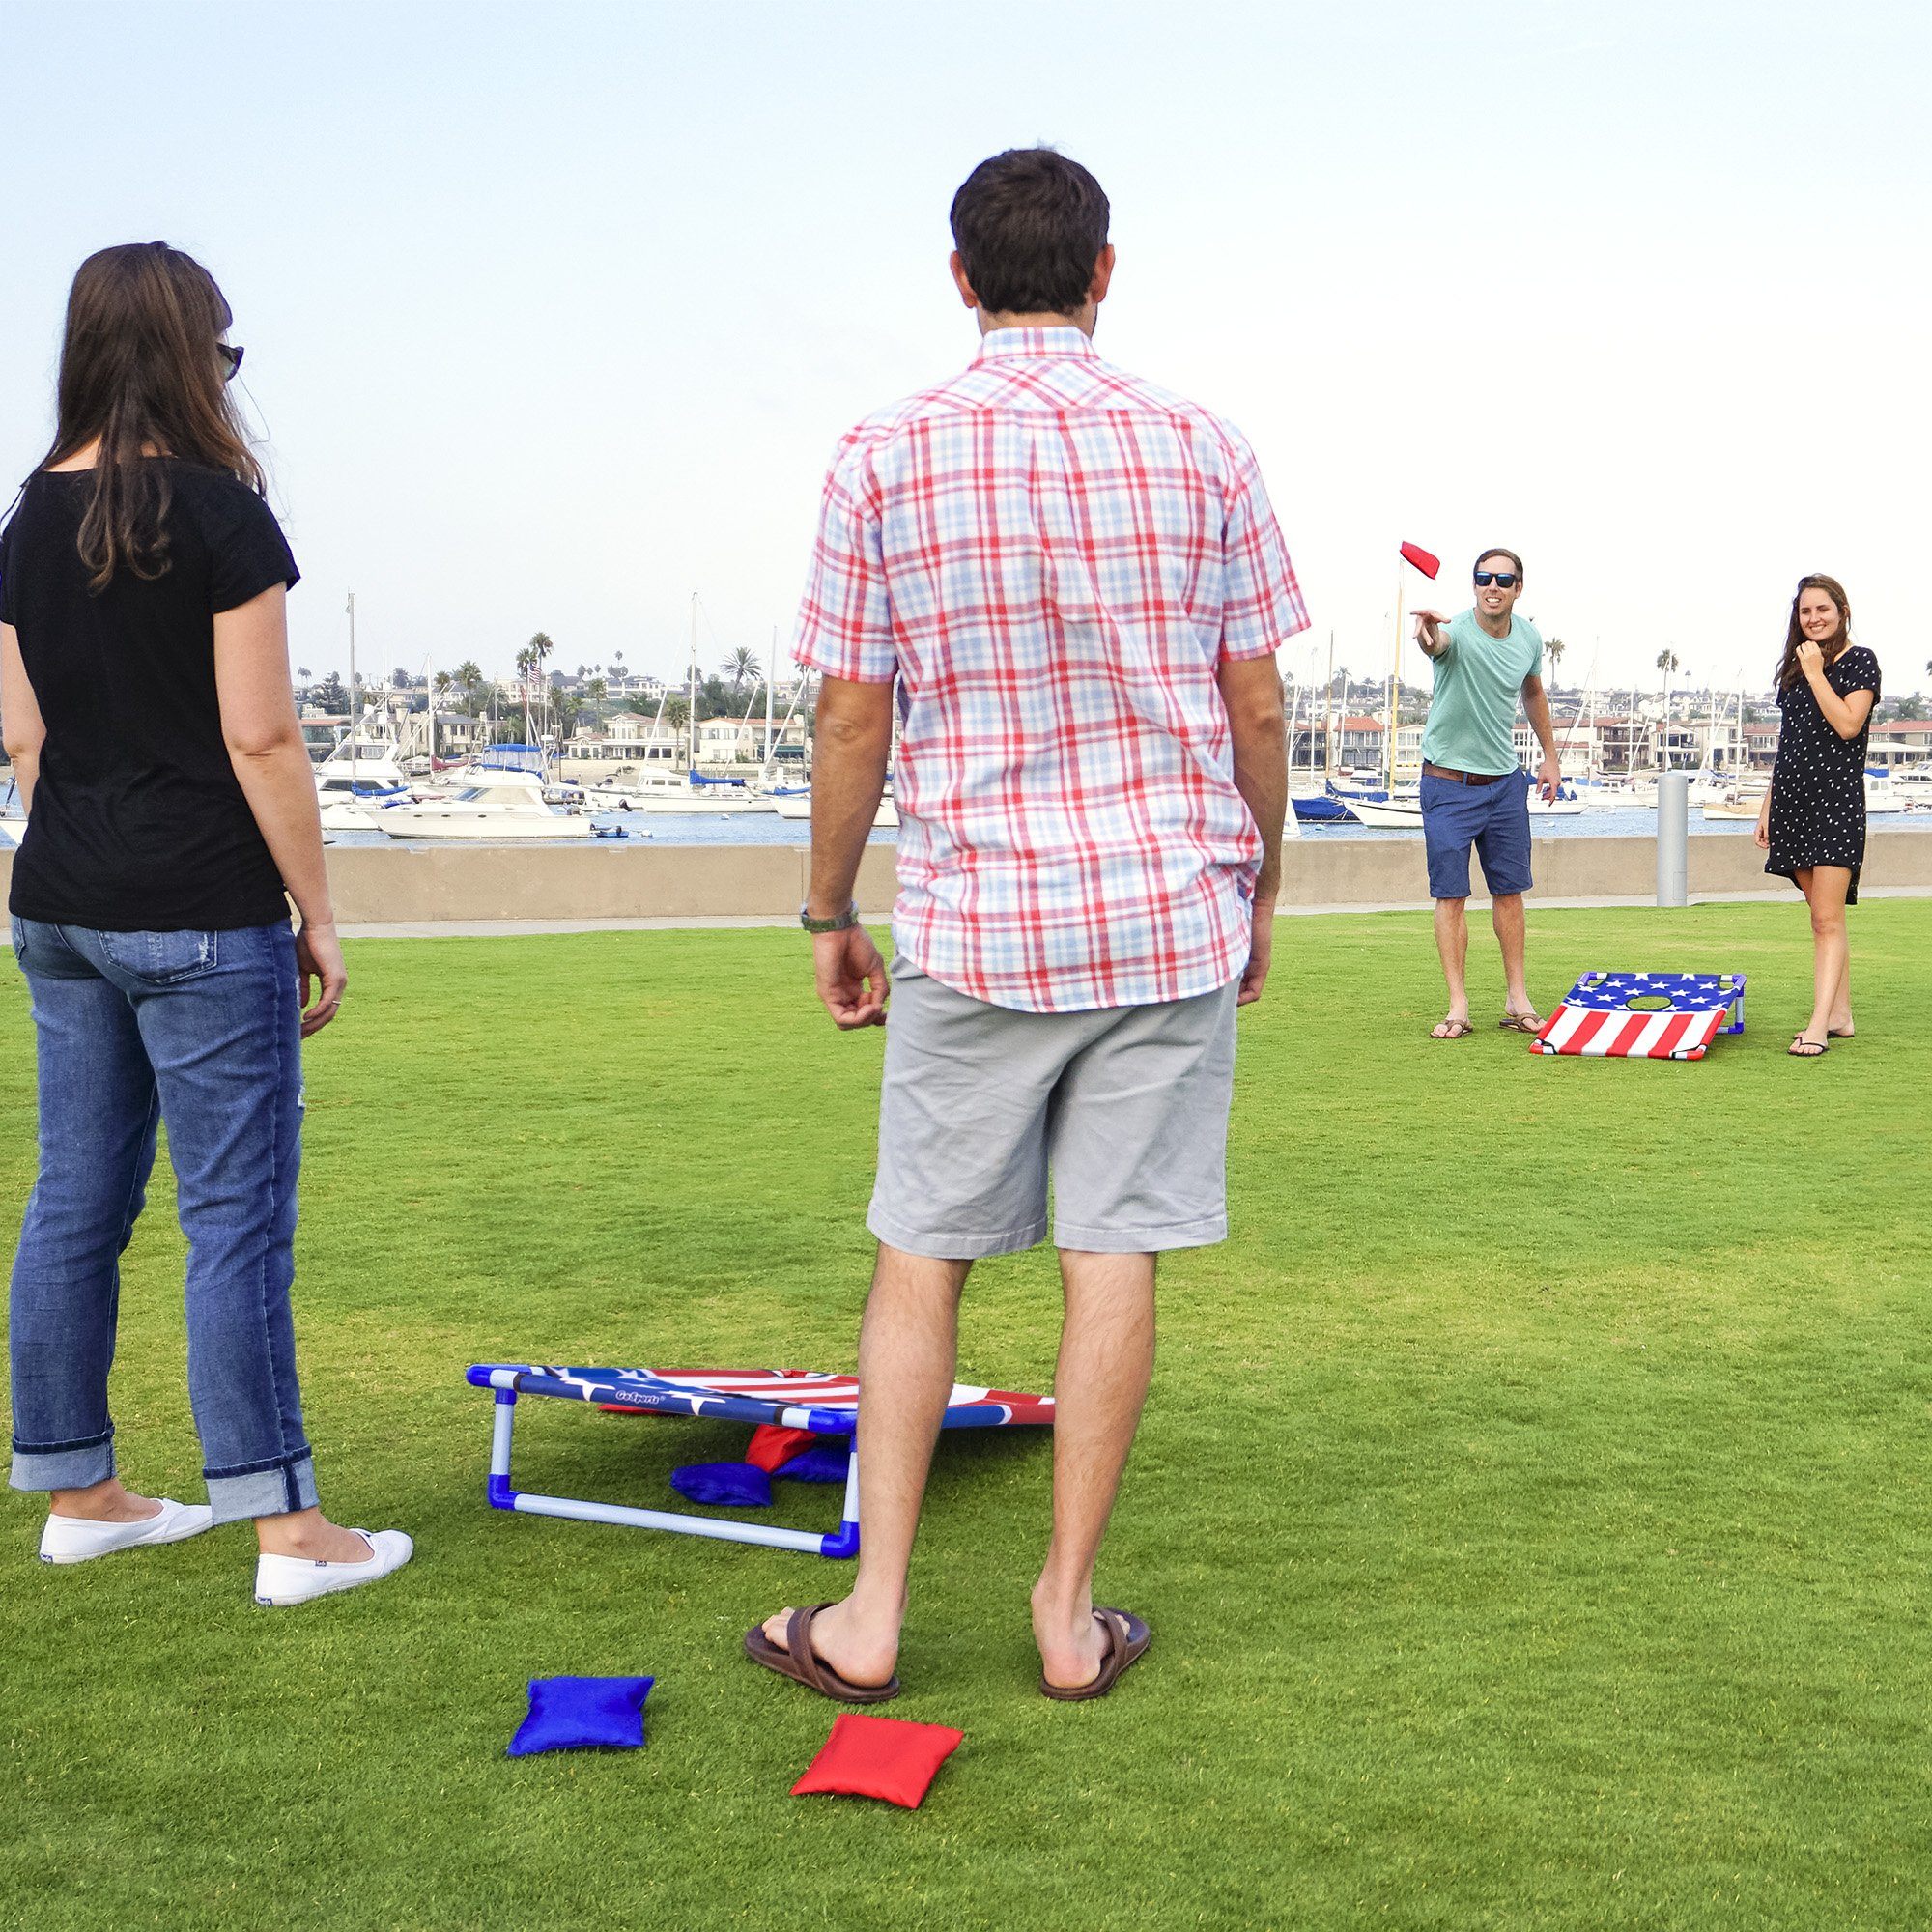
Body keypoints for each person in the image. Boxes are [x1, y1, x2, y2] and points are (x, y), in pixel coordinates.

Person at [743, 148, 1303, 1705]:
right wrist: (1259, 878)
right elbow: (1254, 696)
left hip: (979, 919)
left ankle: (872, 1619)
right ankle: (1065, 1621)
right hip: (1160, 914)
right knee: (1112, 1254)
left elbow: (854, 719)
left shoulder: (883, 452)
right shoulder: (1203, 446)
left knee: (922, 1255)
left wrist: (827, 909)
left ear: (961, 277)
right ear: (1105, 270)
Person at [0, 242, 410, 1606]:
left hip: (60, 905)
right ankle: (290, 1537)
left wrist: (94, 848)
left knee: (75, 1204)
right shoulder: (224, 515)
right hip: (197, 913)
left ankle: (81, 1496)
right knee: (234, 1221)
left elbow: (21, 734)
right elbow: (263, 733)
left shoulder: (25, 518)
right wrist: (319, 910)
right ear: (192, 356)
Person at [1409, 552, 1562, 1041]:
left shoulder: (1529, 638)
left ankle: (1518, 1000)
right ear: (1474, 585)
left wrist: (1551, 757)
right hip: (1448, 784)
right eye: (1483, 579)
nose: (1491, 586)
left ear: (1518, 588)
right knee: (1450, 895)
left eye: (1502, 579)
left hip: (1505, 786)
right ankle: (1458, 1005)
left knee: (1510, 893)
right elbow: (1436, 644)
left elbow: (1533, 693)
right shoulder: (1455, 630)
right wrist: (1427, 632)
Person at [1753, 573, 1880, 1057]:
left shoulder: (1860, 662)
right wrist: (1767, 806)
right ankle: (1841, 1013)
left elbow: (1849, 725)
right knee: (1822, 917)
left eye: (1822, 610)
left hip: (1836, 804)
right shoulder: (1795, 665)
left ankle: (1819, 1026)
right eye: (1805, 612)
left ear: (1841, 610)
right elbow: (1789, 743)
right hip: (1792, 800)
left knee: (1827, 920)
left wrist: (1814, 674)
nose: (1814, 619)